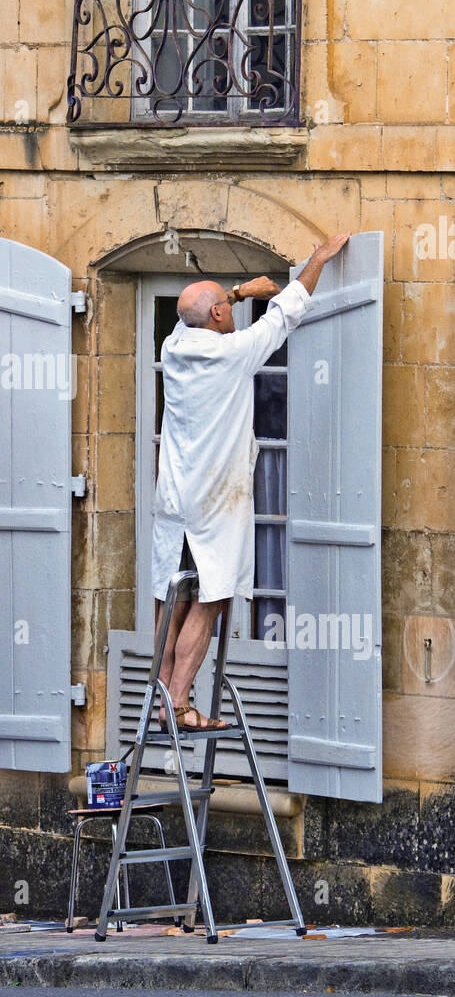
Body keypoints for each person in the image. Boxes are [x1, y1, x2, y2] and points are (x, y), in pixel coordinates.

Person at [152, 233, 350, 731]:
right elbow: (286, 313)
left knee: (171, 594)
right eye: (227, 306)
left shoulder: (172, 347)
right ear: (218, 317)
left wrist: (238, 292)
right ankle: (178, 705)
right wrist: (319, 259)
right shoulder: (233, 353)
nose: (233, 312)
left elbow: (192, 314)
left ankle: (160, 700)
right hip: (216, 498)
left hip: (174, 496)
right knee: (213, 595)